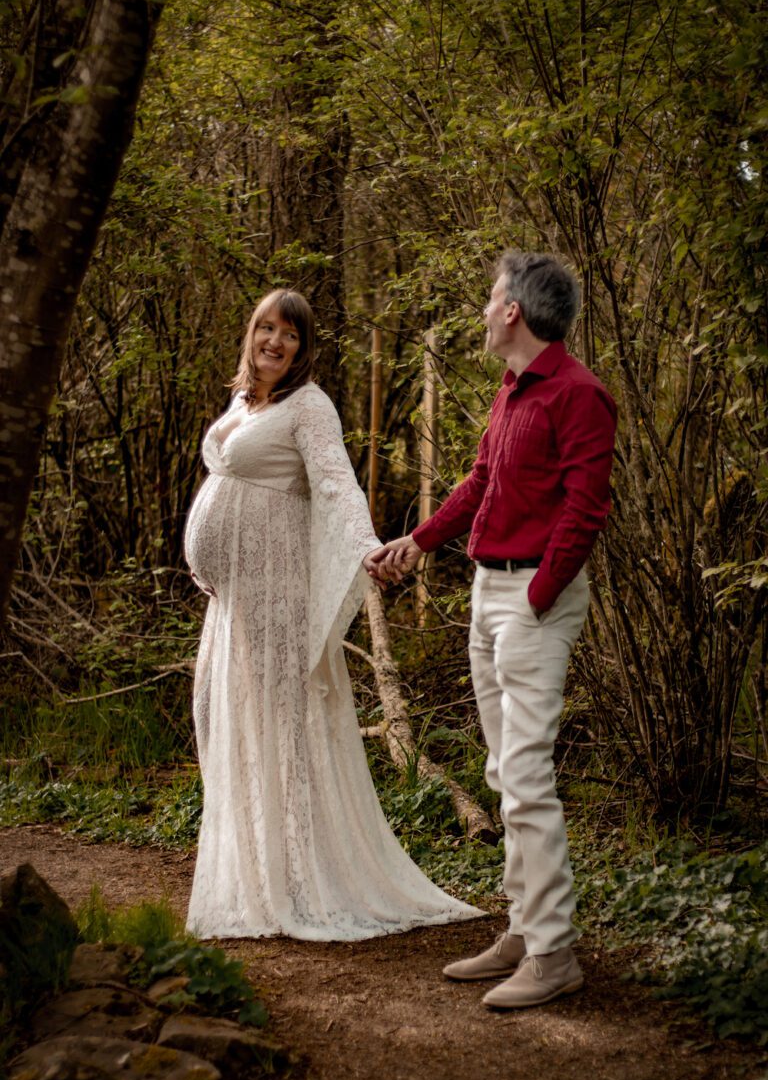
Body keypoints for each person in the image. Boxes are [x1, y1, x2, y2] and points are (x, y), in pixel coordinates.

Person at [183, 289, 482, 941]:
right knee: (242, 722)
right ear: (250, 331)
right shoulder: (245, 401)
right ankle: (259, 874)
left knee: (283, 723)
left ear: (302, 346)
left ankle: (299, 875)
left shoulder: (309, 407)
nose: (274, 342)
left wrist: (370, 547)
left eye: (288, 334)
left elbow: (337, 482)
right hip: (234, 601)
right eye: (265, 327)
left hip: (275, 594)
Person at [370, 252, 617, 1007]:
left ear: (513, 311)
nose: (482, 310)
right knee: (504, 774)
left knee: (529, 779)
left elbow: (586, 507)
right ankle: (523, 928)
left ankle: (553, 954)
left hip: (534, 600)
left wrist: (540, 593)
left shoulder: (580, 395)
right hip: (489, 592)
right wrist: (420, 541)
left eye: (489, 298)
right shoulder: (513, 391)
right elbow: (481, 481)